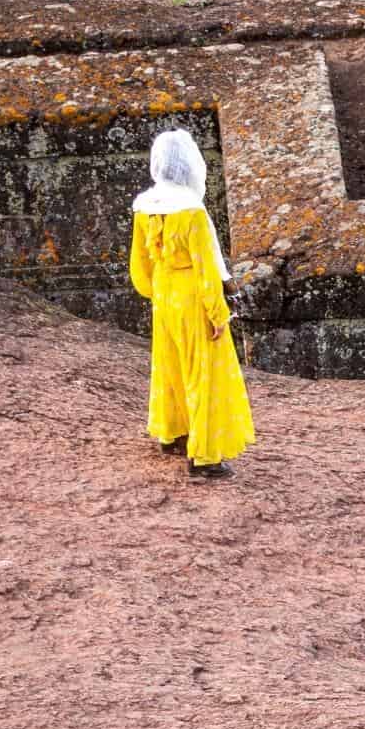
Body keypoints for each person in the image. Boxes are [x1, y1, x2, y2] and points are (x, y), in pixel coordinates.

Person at [129, 129, 255, 480]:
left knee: (169, 364)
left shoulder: (145, 207)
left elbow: (139, 266)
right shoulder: (192, 211)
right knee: (204, 372)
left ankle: (173, 433)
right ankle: (204, 457)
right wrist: (218, 313)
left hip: (164, 293)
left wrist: (157, 291)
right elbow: (206, 265)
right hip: (192, 294)